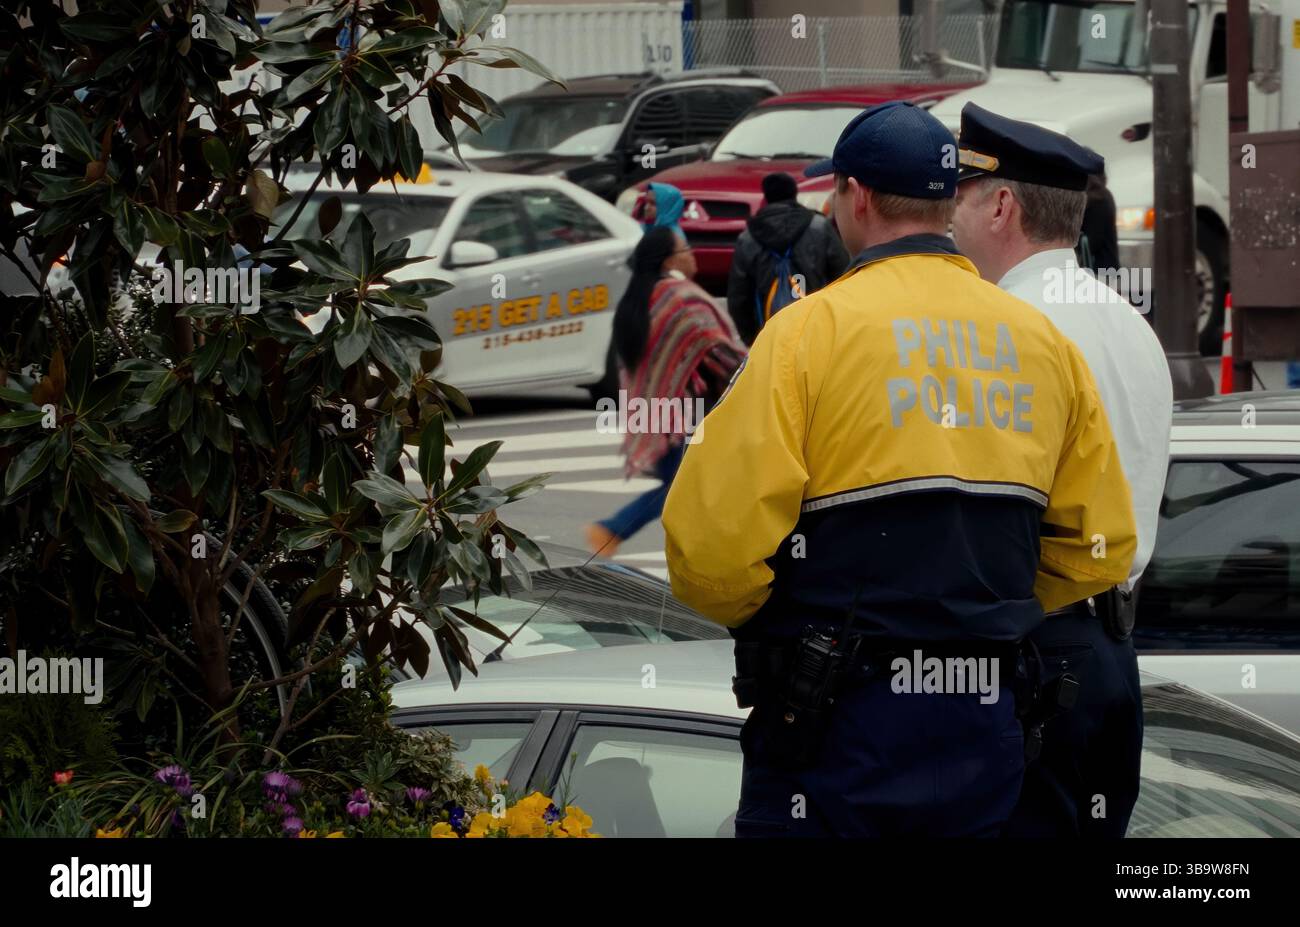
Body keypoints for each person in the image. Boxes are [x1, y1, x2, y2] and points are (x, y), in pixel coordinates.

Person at [661, 100, 1137, 837]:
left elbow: (708, 551)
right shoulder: (1043, 345)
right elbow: (1098, 545)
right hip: (987, 732)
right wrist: (978, 617)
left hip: (832, 731)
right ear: (948, 202)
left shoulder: (804, 338)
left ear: (855, 196)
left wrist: (782, 618)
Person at [951, 102, 1173, 838]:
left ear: (1002, 205)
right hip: (1111, 652)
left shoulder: (1004, 332)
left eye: (960, 197)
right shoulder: (1129, 324)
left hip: (1033, 652)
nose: (949, 218)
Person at [585, 227, 745, 557]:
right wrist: (755, 371)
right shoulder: (679, 299)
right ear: (670, 259)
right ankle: (612, 529)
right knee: (683, 489)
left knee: (694, 489)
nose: (692, 255)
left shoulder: (643, 296)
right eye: (686, 248)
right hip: (685, 417)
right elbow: (717, 351)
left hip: (658, 415)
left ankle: (706, 552)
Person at [726, 172, 849, 345]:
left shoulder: (749, 238)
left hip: (770, 337)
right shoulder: (819, 227)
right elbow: (843, 275)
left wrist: (751, 340)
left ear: (766, 197)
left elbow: (739, 298)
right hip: (817, 331)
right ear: (794, 194)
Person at [1076, 171, 1120, 275]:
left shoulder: (1097, 200)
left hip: (1099, 268)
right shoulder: (1104, 195)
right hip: (1107, 264)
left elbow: (1093, 240)